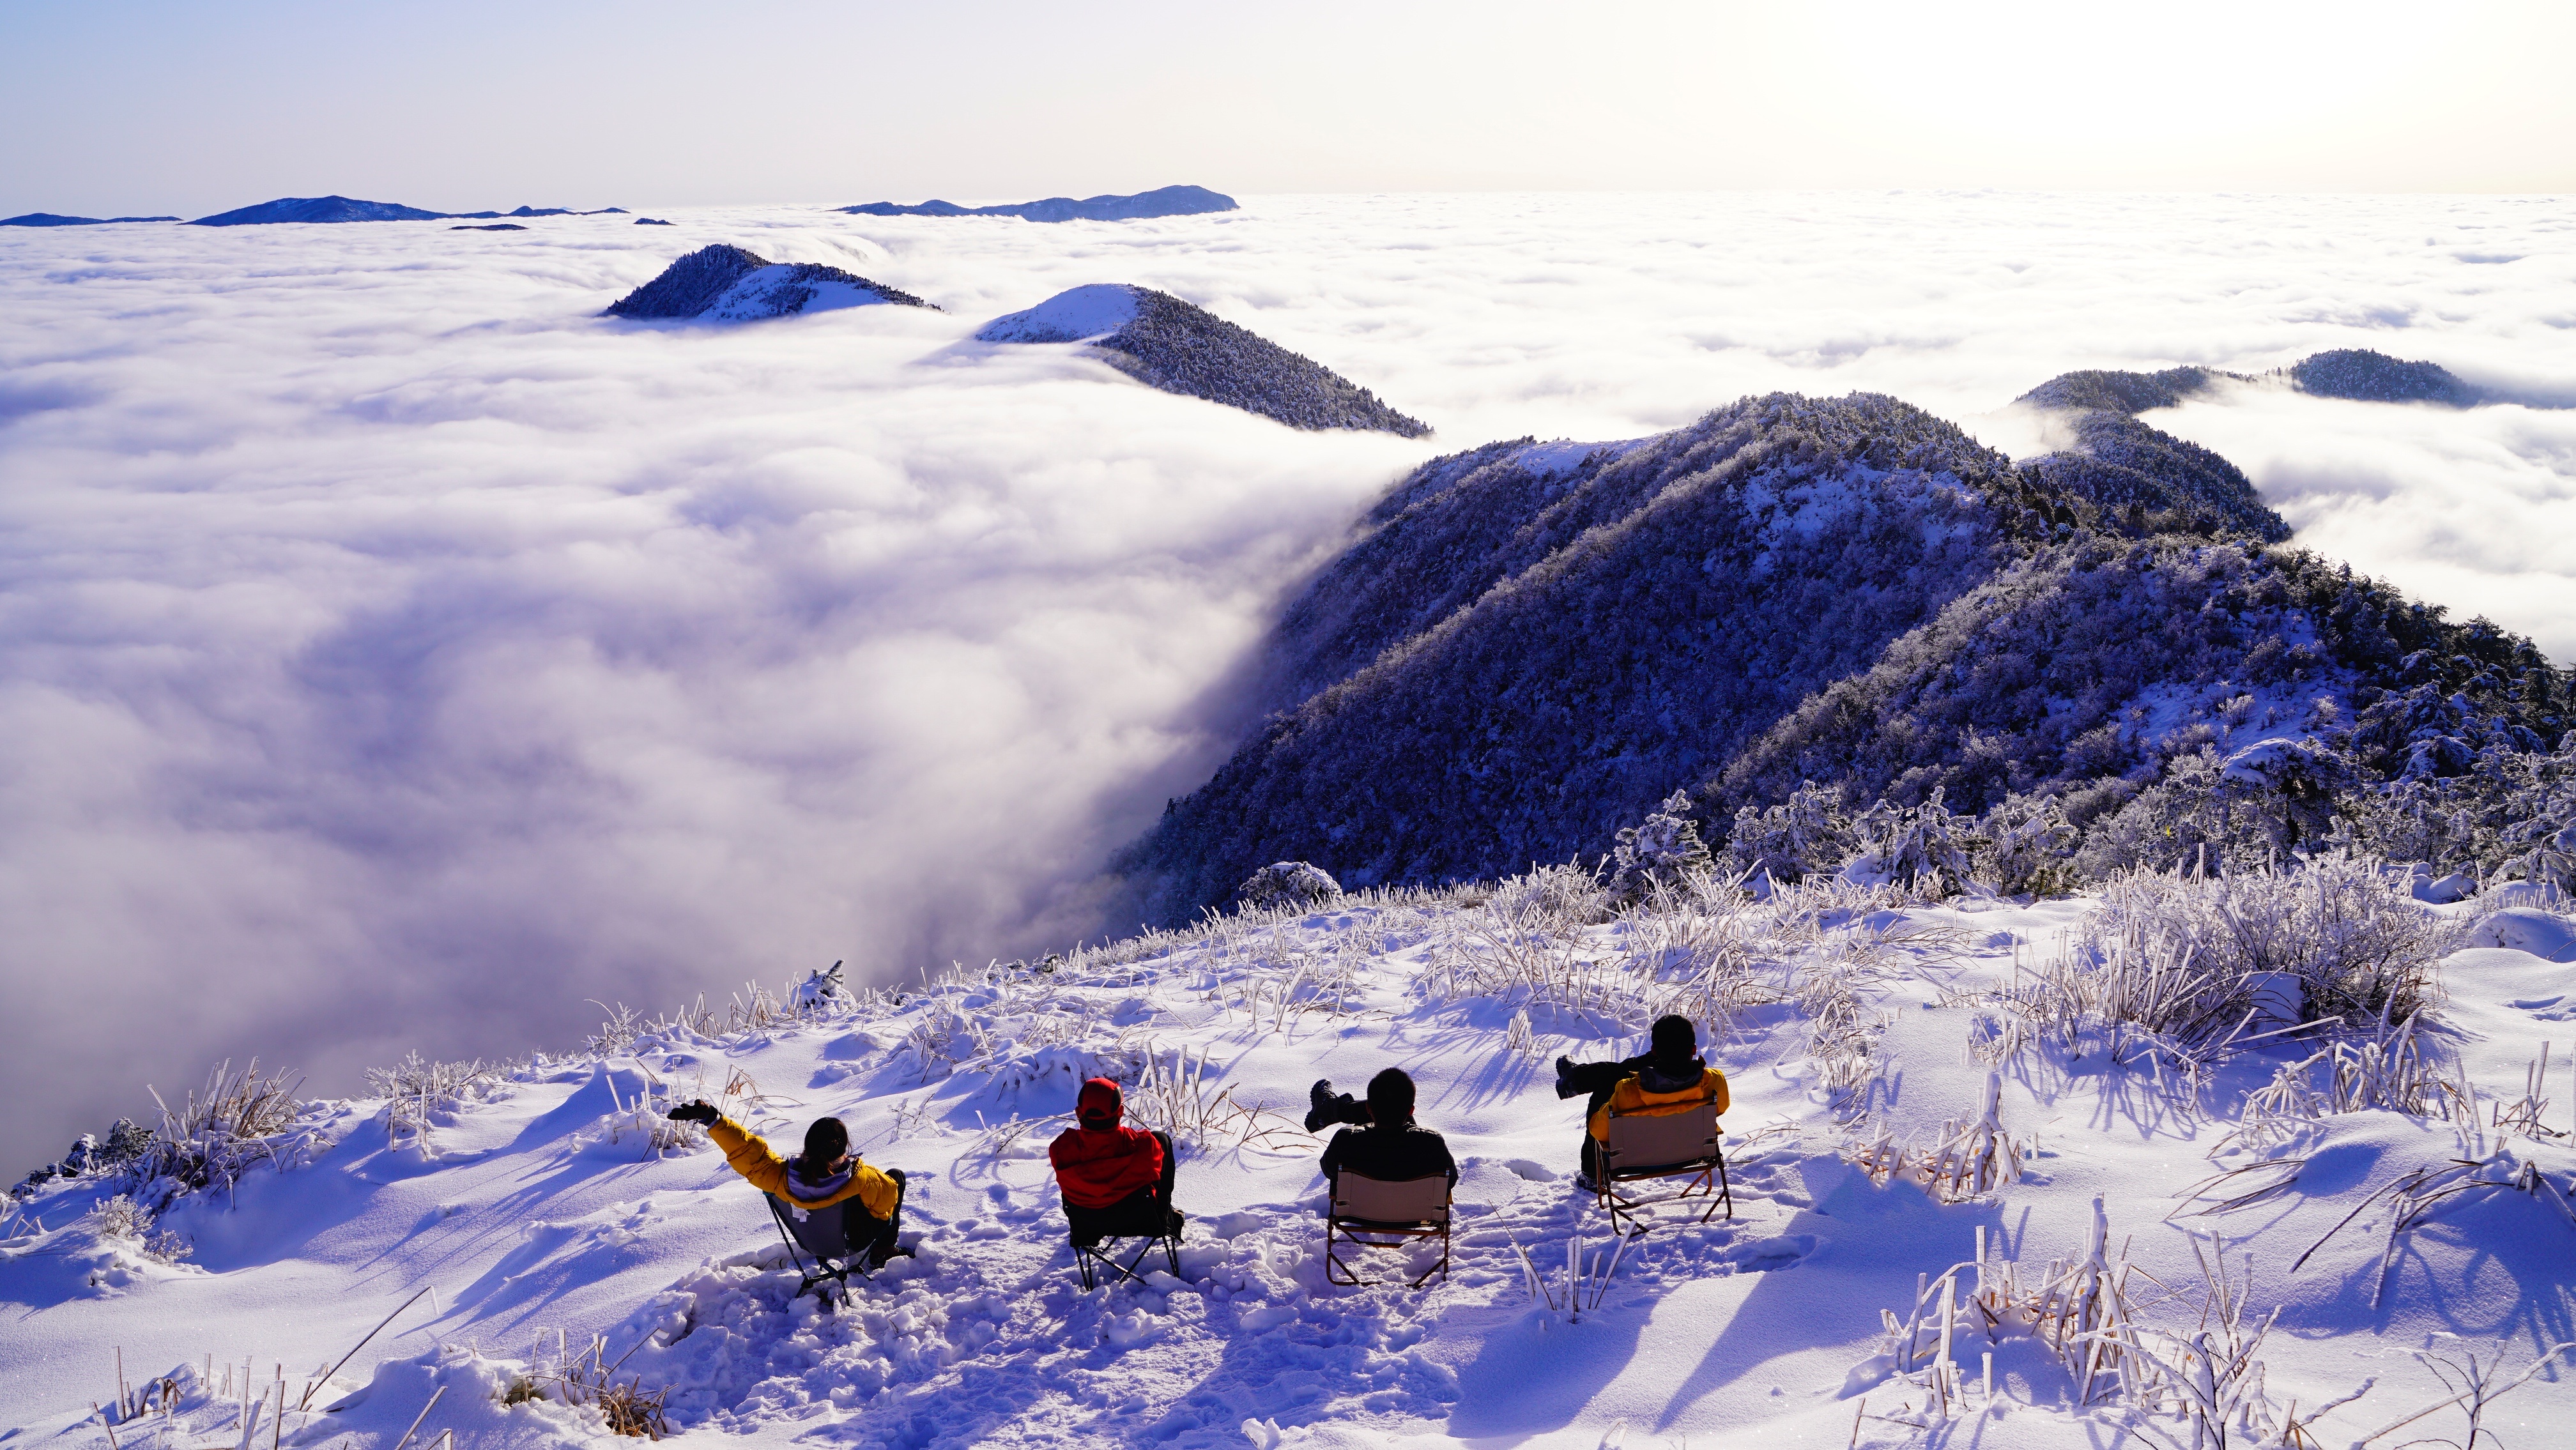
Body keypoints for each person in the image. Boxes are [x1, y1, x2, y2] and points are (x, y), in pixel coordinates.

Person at [668, 1100, 912, 1268]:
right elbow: (886, 1208)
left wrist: (713, 1119)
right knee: (894, 1178)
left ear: (807, 1146)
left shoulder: (779, 1177)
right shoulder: (861, 1178)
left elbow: (745, 1151)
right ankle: (883, 1252)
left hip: (811, 1242)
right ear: (844, 1147)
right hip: (852, 1242)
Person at [1554, 1014, 1728, 1188]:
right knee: (1618, 1073)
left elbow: (1598, 1132)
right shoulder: (1714, 1081)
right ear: (1694, 1049)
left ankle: (1592, 1175)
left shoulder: (1628, 1091)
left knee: (1606, 1087)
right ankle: (1575, 1077)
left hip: (1635, 1163)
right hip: (1695, 1156)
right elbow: (1721, 1108)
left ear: (1654, 1051)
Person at [1049, 1078, 1183, 1246]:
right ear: (1121, 1112)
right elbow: (1157, 1175)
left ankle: (1090, 1236)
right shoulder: (1145, 1145)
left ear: (1078, 1113)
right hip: (1143, 1221)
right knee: (1162, 1139)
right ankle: (1166, 1218)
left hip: (1086, 1226)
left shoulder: (1060, 1149)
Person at [1315, 1068, 1457, 1192]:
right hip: (1414, 1211)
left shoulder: (1346, 1141)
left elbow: (1329, 1170)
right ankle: (1334, 1109)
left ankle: (1333, 1110)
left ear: (1368, 1108)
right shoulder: (1432, 1144)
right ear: (1411, 1111)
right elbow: (1450, 1180)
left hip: (1361, 1210)